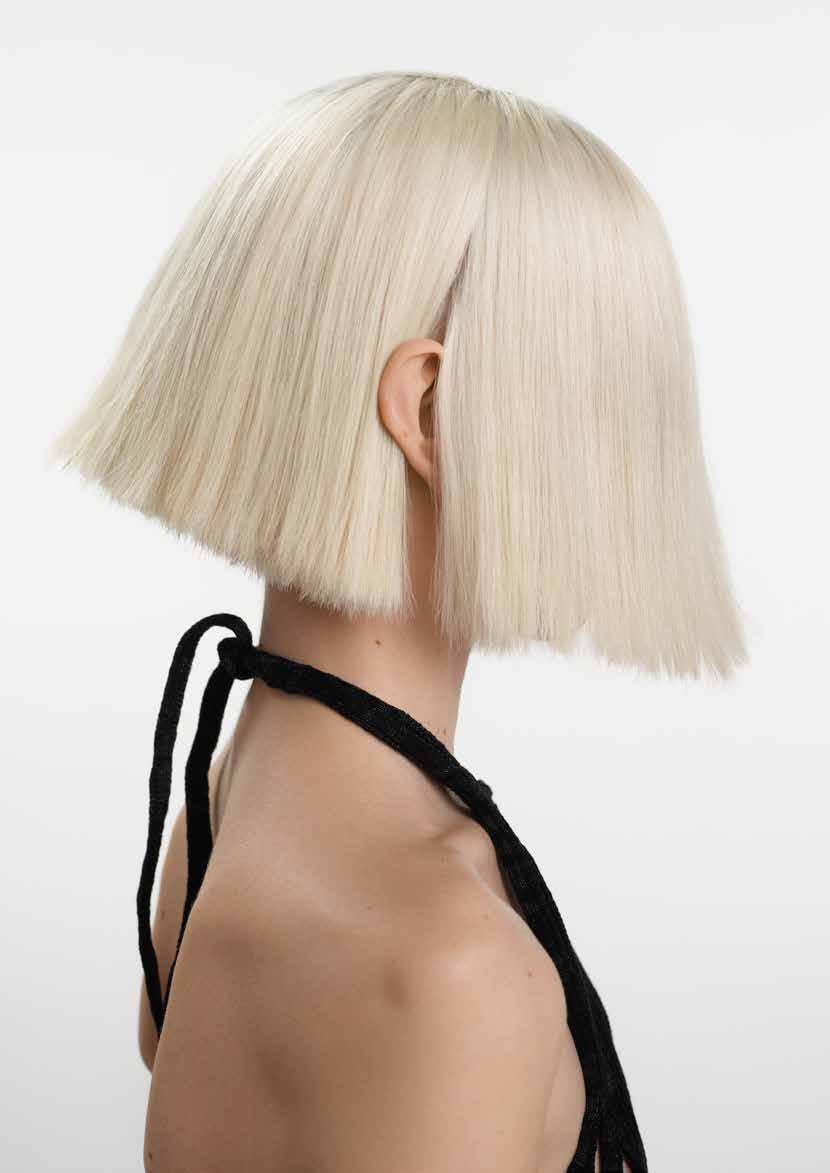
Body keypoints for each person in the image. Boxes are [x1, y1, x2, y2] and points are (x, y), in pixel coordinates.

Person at [49, 71, 746, 1173]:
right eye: (606, 394)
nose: (639, 466)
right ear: (427, 412)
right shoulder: (448, 966)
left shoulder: (217, 815)